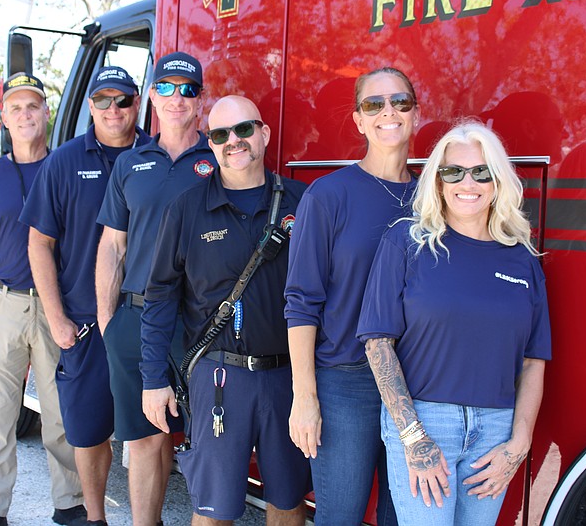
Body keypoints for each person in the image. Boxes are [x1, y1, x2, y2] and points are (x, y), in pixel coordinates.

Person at [357, 121, 551, 525]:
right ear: (438, 181)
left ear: (498, 181)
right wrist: (413, 439)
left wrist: (519, 442)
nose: (469, 182)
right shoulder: (405, 242)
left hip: (496, 429)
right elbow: (377, 343)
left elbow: (533, 361)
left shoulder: (522, 260)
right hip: (425, 422)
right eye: (454, 172)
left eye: (482, 172)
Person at [141, 95, 311, 524]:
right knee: (213, 509)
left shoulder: (303, 203)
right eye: (220, 135)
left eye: (244, 130)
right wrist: (153, 380)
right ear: (210, 144)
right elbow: (160, 296)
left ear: (264, 133)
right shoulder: (187, 209)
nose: (233, 141)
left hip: (288, 377)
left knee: (288, 502)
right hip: (217, 376)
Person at [285, 67, 420, 525]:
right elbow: (301, 301)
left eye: (400, 102)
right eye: (374, 104)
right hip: (345, 383)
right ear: (359, 121)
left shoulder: (436, 198)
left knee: (402, 516)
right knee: (339, 516)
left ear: (415, 114)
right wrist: (305, 398)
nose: (388, 112)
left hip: (418, 385)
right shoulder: (329, 195)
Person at [0, 72, 86, 526]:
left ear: (47, 112)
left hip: (56, 307)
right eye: (16, 108)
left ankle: (69, 502)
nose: (25, 114)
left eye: (33, 106)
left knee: (60, 412)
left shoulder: (67, 167)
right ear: (4, 118)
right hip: (1, 306)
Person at [20, 65, 151, 526]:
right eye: (102, 100)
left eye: (123, 100)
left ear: (138, 103)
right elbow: (39, 243)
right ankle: (94, 518)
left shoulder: (157, 158)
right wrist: (57, 320)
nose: (113, 110)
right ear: (91, 105)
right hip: (85, 324)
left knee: (148, 431)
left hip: (145, 322)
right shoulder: (63, 161)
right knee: (90, 431)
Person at [95, 51, 217, 526]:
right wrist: (109, 323)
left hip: (199, 322)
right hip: (136, 318)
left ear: (200, 100)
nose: (176, 98)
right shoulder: (129, 163)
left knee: (207, 438)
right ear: (151, 97)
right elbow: (112, 247)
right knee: (145, 438)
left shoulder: (217, 160)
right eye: (165, 87)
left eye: (187, 90)